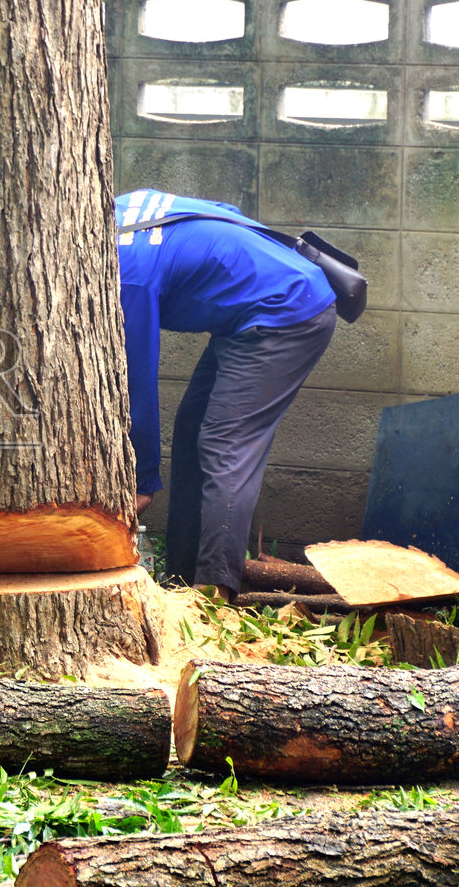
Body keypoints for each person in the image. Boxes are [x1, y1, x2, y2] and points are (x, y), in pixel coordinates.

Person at [115, 188, 337, 601]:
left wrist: (141, 481)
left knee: (225, 445)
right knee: (193, 427)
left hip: (287, 314)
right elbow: (223, 213)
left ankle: (212, 599)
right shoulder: (124, 205)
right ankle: (181, 581)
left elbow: (136, 380)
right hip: (253, 310)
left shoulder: (127, 275)